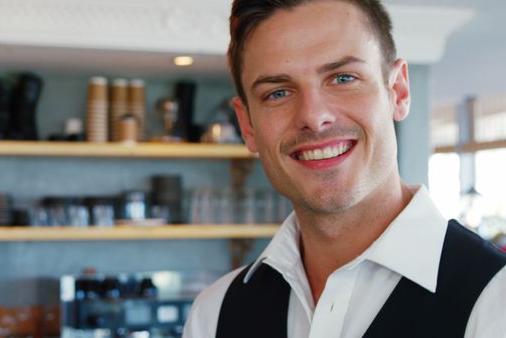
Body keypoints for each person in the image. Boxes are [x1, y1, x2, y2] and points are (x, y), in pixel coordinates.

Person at [183, 0, 506, 337]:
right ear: (247, 124)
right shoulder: (214, 314)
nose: (313, 116)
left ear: (398, 91)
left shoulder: (497, 301)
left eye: (343, 77)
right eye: (278, 92)